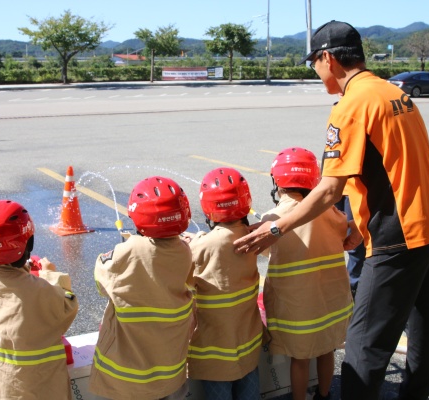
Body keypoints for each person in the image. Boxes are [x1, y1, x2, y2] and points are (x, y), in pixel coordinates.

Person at [234, 20, 429, 400]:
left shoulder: (350, 106)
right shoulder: (394, 93)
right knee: (423, 328)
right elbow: (388, 168)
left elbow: (328, 189)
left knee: (364, 344)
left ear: (328, 58)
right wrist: (358, 227)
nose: (316, 72)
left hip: (398, 235)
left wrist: (276, 227)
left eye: (314, 64)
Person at [89, 176, 195, 400]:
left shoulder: (129, 249)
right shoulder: (184, 250)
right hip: (170, 376)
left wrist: (126, 248)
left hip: (125, 381)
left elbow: (101, 281)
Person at [261, 147, 352, 400]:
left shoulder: (273, 218)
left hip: (298, 308)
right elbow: (343, 229)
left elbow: (266, 251)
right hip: (330, 303)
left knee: (300, 360)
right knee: (326, 351)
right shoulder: (331, 211)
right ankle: (324, 394)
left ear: (277, 181)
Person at [0, 200, 79, 400]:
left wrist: (24, 271)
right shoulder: (40, 292)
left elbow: (11, 286)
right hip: (32, 392)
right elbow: (68, 305)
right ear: (27, 243)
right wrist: (50, 275)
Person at [187, 167, 262, 399]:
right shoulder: (254, 236)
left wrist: (197, 240)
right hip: (248, 340)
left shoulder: (201, 246)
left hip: (215, 348)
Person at [334, 195, 365, 298]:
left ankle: (353, 286)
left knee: (354, 246)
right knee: (332, 239)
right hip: (333, 190)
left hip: (352, 192)